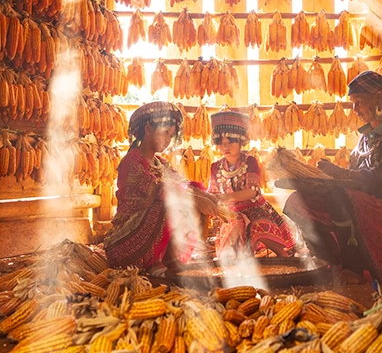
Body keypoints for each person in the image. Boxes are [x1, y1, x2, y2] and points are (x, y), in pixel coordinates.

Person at [283, 71, 382, 283]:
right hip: (365, 203)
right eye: (352, 103)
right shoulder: (366, 138)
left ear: (378, 99)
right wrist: (319, 180)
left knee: (342, 197)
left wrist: (341, 175)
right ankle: (331, 262)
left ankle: (354, 268)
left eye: (358, 102)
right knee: (298, 201)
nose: (354, 109)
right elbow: (353, 179)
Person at [104, 101, 222, 275]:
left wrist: (206, 197)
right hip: (124, 244)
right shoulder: (131, 162)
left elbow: (183, 184)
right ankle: (154, 265)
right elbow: (159, 190)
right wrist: (195, 199)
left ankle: (171, 260)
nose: (168, 140)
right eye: (166, 133)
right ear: (148, 128)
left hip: (146, 235)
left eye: (171, 135)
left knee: (190, 199)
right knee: (168, 205)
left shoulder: (161, 163)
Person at [208, 111, 296, 258]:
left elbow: (252, 192)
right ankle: (235, 261)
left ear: (241, 141)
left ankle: (283, 256)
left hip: (254, 207)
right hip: (230, 212)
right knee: (235, 224)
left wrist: (225, 197)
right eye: (221, 143)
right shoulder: (215, 167)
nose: (225, 147)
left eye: (230, 142)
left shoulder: (250, 161)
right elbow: (212, 193)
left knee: (258, 224)